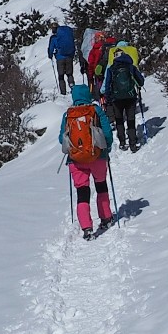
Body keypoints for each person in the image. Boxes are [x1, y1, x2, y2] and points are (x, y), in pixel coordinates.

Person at [58, 83, 115, 239]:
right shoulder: (95, 110)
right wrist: (106, 148)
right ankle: (106, 218)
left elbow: (61, 139)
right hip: (98, 156)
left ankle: (87, 228)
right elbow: (107, 133)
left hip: (76, 160)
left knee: (82, 192)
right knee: (101, 187)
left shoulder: (68, 115)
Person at [102, 41, 144, 152]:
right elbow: (141, 81)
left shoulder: (111, 68)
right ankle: (133, 143)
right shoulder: (131, 66)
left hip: (117, 98)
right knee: (131, 120)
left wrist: (108, 98)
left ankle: (122, 142)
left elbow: (107, 84)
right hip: (131, 97)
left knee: (119, 120)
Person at [46, 21, 79, 95]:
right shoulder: (66, 35)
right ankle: (73, 88)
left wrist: (50, 55)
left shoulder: (54, 38)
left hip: (59, 57)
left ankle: (63, 92)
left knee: (61, 76)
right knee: (69, 74)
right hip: (69, 56)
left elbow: (51, 48)